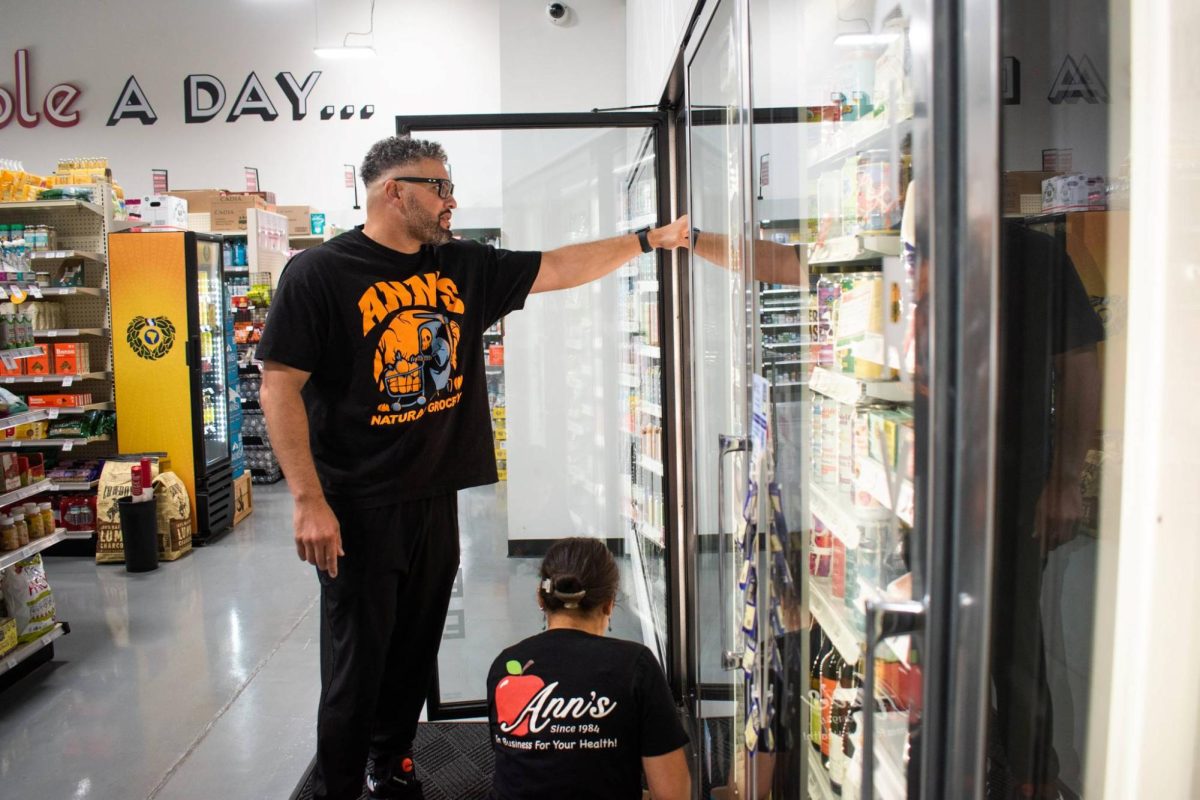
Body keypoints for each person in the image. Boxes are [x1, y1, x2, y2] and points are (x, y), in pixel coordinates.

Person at [257, 136, 691, 800]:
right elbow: (279, 386)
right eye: (438, 186)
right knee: (358, 661)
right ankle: (337, 786)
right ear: (392, 191)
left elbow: (557, 267)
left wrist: (646, 240)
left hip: (434, 495)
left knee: (414, 646)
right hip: (356, 503)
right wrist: (307, 500)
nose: (450, 200)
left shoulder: (460, 265)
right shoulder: (319, 273)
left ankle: (392, 758)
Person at [486, 537, 691, 800]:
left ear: (541, 598)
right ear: (609, 602)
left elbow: (523, 768)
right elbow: (672, 794)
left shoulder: (506, 666)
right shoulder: (635, 665)